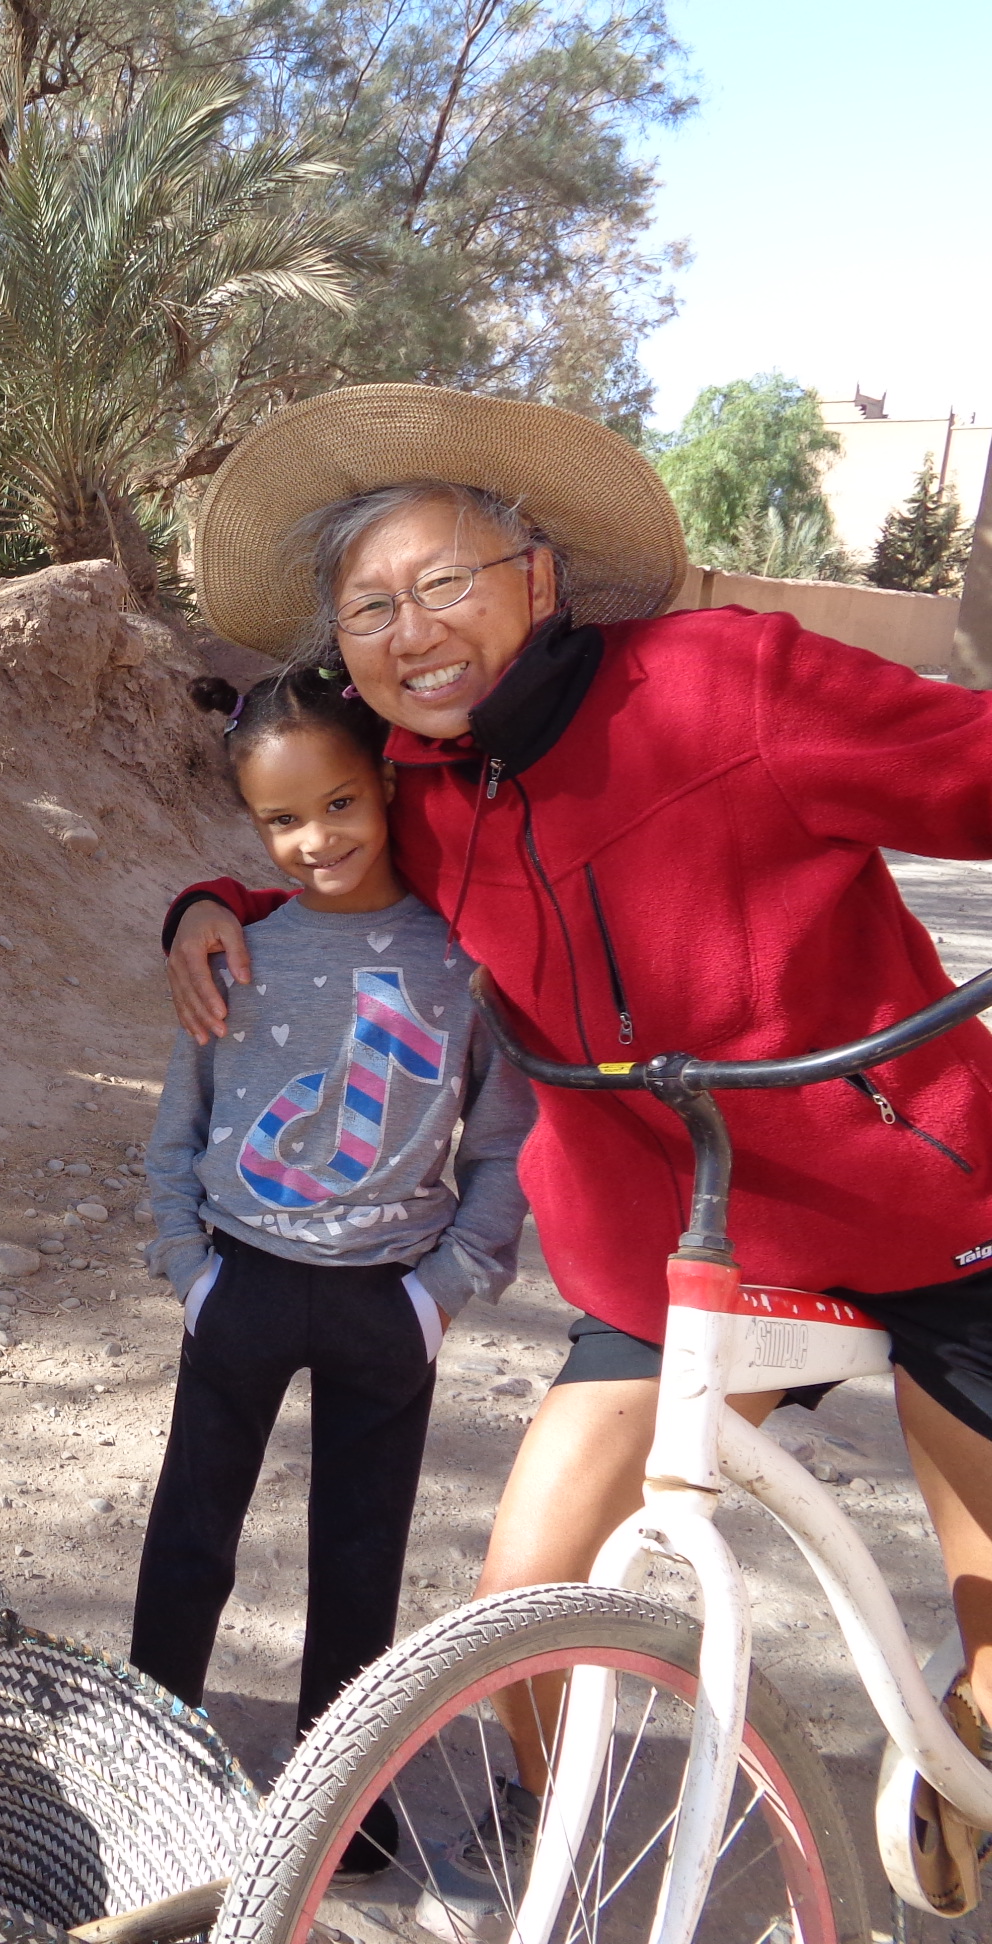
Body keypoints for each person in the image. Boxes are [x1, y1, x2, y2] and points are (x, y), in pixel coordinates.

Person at [159, 382, 992, 1902]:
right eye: (370, 607)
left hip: (919, 1215)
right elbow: (332, 866)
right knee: (526, 1598)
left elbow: (972, 766)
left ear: (538, 577)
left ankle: (967, 1737)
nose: (412, 632)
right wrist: (216, 907)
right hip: (676, 1264)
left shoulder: (727, 681)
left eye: (445, 582)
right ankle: (572, 1853)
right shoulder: (416, 784)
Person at [132, 665, 533, 1877]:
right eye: (282, 822)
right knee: (190, 1538)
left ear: (388, 784)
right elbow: (181, 1120)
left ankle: (342, 1809)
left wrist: (440, 1293)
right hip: (241, 1285)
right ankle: (145, 1762)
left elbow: (505, 1141)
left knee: (361, 1561)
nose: (317, 841)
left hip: (386, 1305)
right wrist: (190, 1271)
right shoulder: (235, 946)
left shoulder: (464, 960)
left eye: (343, 804)